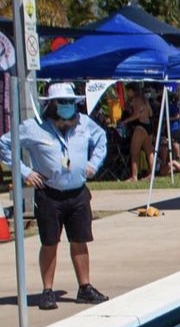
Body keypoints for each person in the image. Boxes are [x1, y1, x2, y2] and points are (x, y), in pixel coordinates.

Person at [0, 82, 110, 310]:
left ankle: (85, 287)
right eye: (63, 103)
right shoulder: (34, 127)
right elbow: (5, 144)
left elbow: (101, 139)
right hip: (50, 194)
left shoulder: (83, 123)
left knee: (80, 240)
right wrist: (25, 171)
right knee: (50, 242)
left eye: (71, 102)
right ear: (51, 105)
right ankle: (47, 291)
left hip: (78, 193)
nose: (69, 107)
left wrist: (93, 163)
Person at [119, 84, 154, 182]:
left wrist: (126, 121)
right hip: (148, 125)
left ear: (131, 90)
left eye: (127, 91)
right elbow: (150, 113)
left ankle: (134, 176)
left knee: (134, 152)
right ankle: (152, 173)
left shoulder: (135, 100)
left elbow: (137, 114)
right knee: (149, 151)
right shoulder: (145, 99)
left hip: (141, 126)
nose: (127, 93)